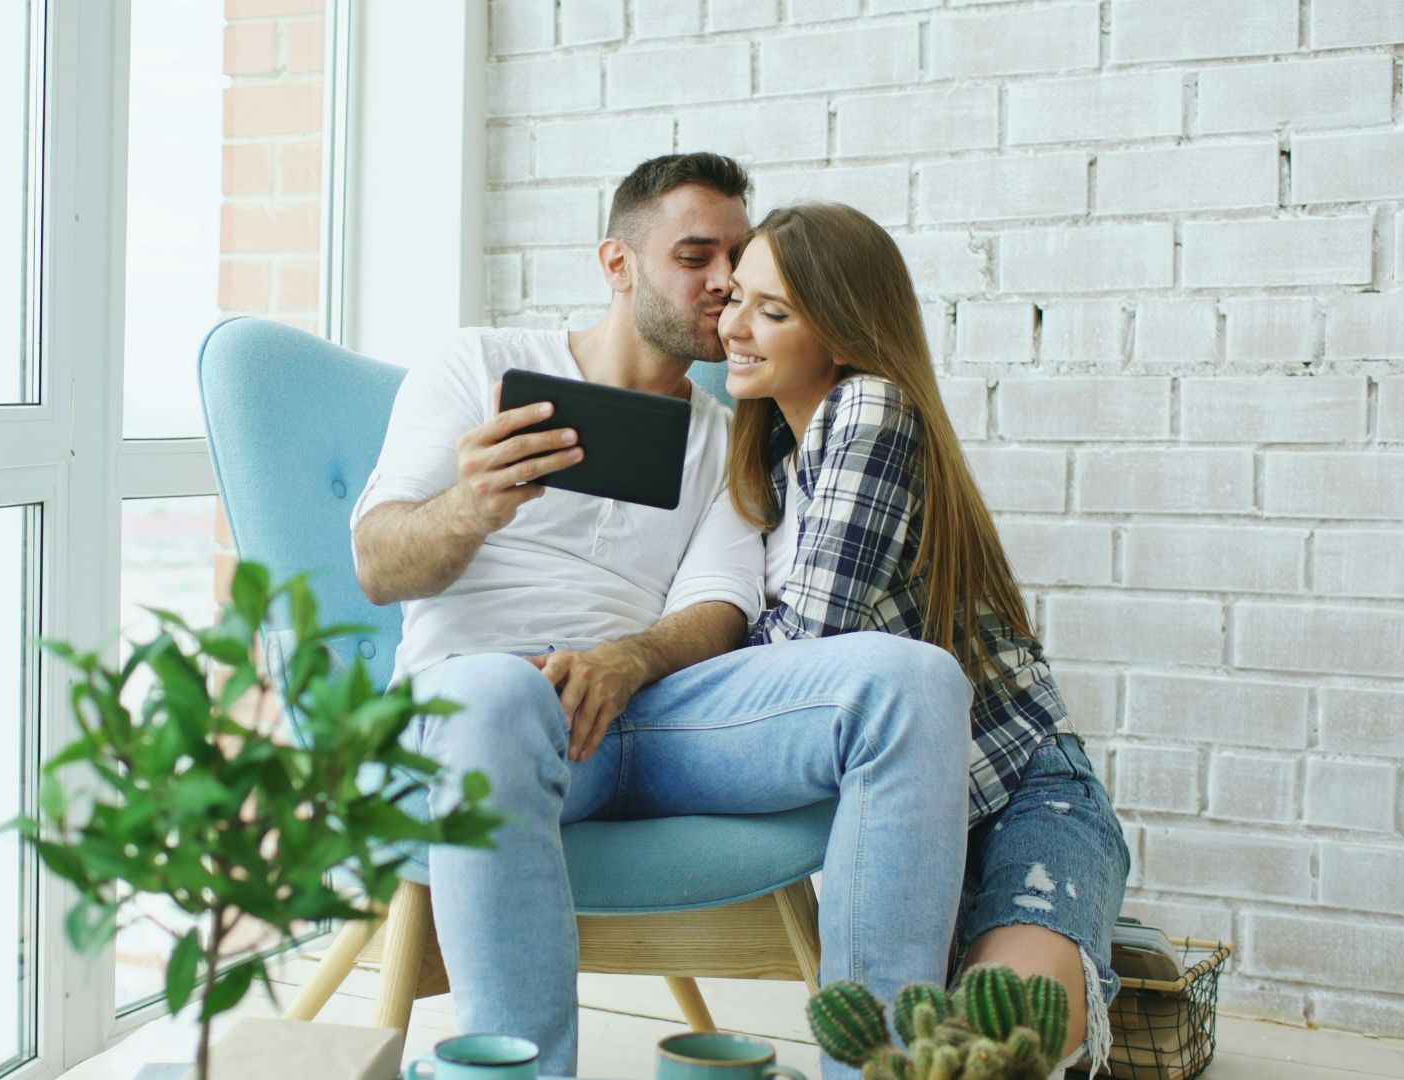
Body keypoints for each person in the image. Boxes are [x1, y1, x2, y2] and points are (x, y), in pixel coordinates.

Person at [349, 155, 972, 1079]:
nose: (724, 283)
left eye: (736, 257)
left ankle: (872, 1067)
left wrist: (626, 659)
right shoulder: (476, 364)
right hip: (487, 710)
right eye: (695, 255)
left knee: (916, 678)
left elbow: (722, 607)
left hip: (653, 715)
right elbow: (376, 563)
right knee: (493, 693)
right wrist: (471, 505)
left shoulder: (731, 432)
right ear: (618, 265)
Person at [717, 201, 1131, 1076]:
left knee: (989, 1051)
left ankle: (1084, 947)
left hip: (1023, 801)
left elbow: (814, 650)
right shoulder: (778, 472)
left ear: (842, 330)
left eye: (772, 311)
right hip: (904, 834)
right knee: (908, 1054)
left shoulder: (870, 407)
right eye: (735, 299)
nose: (734, 327)